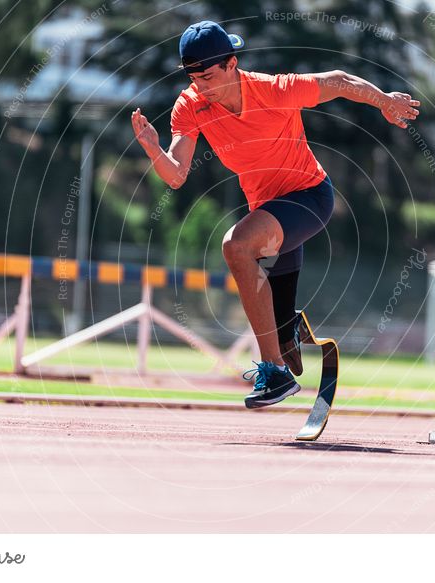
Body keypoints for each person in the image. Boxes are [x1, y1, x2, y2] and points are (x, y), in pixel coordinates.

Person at [131, 20, 419, 409]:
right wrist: (153, 150)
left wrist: (384, 99)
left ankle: (273, 370)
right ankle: (287, 331)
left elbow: (337, 79)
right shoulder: (191, 106)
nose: (202, 86)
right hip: (269, 215)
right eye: (193, 78)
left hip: (308, 198)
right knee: (285, 337)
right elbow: (177, 175)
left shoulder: (273, 89)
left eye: (209, 76)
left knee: (236, 245)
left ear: (232, 64)